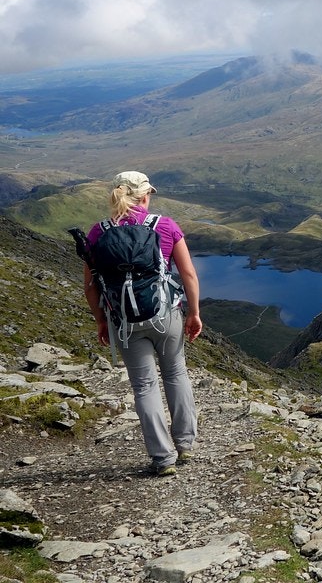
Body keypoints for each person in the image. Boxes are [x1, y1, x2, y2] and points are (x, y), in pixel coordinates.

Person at [82, 170, 203, 477]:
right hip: (165, 315)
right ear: (146, 195)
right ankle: (185, 445)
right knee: (175, 373)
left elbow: (89, 285)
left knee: (144, 386)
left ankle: (163, 459)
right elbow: (188, 274)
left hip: (124, 322)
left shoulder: (98, 232)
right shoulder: (164, 226)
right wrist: (194, 313)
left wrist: (100, 320)